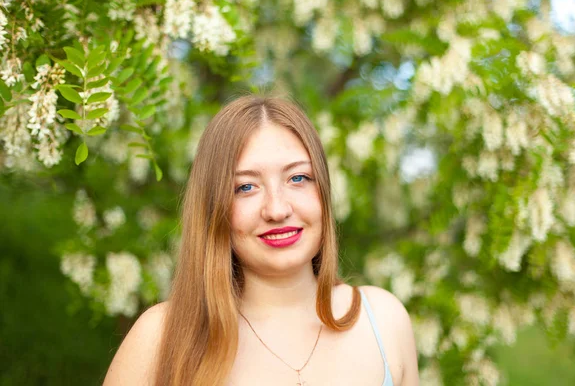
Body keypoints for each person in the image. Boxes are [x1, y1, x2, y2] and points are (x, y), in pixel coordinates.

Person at [103, 94, 419, 386]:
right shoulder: (160, 338)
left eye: (298, 178)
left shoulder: (384, 320)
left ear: (323, 191)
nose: (277, 209)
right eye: (246, 187)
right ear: (215, 209)